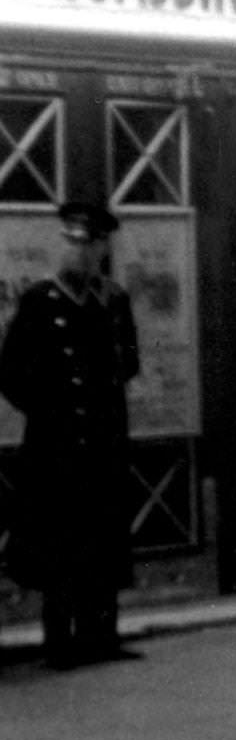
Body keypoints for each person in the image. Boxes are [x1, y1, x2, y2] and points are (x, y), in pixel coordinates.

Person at [0, 199, 141, 668]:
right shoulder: (42, 302)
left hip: (102, 444)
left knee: (102, 538)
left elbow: (129, 364)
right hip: (55, 447)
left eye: (86, 244)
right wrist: (48, 410)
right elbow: (11, 371)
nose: (75, 252)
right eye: (70, 242)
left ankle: (102, 635)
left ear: (102, 247)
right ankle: (58, 641)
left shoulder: (114, 301)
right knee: (59, 546)